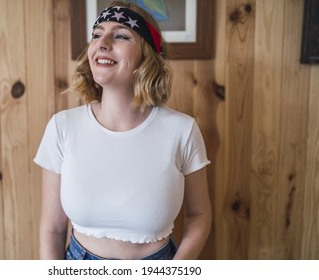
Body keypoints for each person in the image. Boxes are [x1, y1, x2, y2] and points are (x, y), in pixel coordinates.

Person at [34, 0, 212, 260]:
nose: (102, 42)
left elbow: (199, 215)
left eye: (120, 35)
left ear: (147, 55)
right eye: (97, 34)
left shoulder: (182, 131)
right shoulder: (62, 128)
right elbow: (51, 229)